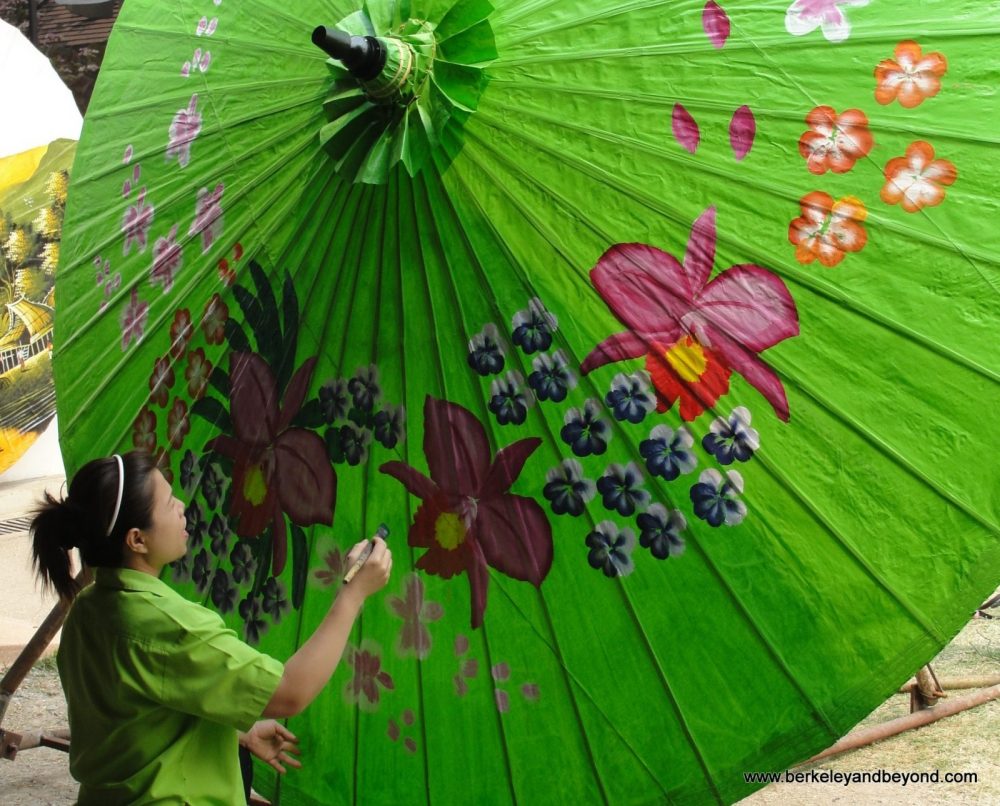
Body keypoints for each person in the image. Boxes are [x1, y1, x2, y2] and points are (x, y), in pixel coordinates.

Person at [31, 450, 392, 804]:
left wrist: (238, 731)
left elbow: (135, 715)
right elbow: (289, 692)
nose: (182, 507)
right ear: (137, 539)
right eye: (169, 502)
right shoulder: (168, 626)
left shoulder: (88, 609)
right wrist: (354, 594)